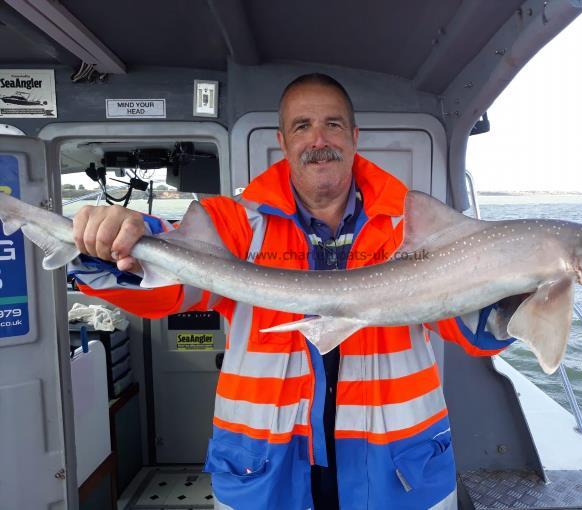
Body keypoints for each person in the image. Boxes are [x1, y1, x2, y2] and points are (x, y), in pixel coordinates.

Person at [70, 73, 515, 510]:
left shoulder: (413, 231)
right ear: (283, 142)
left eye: (333, 124)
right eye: (302, 126)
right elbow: (164, 285)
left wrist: (514, 299)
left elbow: (470, 329)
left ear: (354, 137)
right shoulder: (235, 227)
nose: (318, 138)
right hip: (267, 471)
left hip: (397, 471)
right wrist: (115, 243)